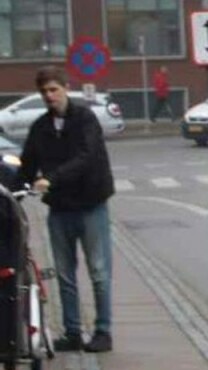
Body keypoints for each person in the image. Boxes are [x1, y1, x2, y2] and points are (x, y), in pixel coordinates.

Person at [18, 66, 115, 353]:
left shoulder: (85, 119)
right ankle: (72, 332)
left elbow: (87, 156)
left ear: (65, 88)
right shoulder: (40, 127)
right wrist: (11, 192)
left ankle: (103, 331)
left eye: (54, 90)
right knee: (64, 273)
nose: (49, 96)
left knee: (98, 270)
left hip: (90, 205)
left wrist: (52, 178)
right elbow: (27, 166)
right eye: (44, 91)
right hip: (60, 209)